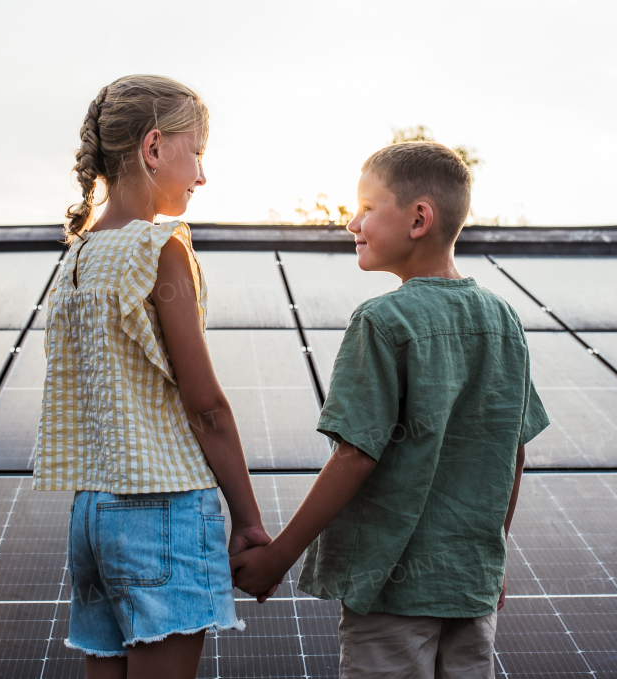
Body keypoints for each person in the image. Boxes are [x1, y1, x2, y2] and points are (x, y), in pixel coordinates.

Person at [230, 141, 549, 679]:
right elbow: (511, 454)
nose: (352, 222)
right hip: (470, 588)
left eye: (367, 208)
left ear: (419, 218)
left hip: (392, 588)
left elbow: (356, 456)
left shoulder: (382, 322)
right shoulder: (504, 320)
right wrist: (491, 562)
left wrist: (278, 556)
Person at [34, 75, 279, 679]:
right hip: (162, 509)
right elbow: (206, 407)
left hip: (92, 517)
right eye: (196, 152)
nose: (201, 174)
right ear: (153, 148)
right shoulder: (160, 248)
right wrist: (248, 521)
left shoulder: (78, 258)